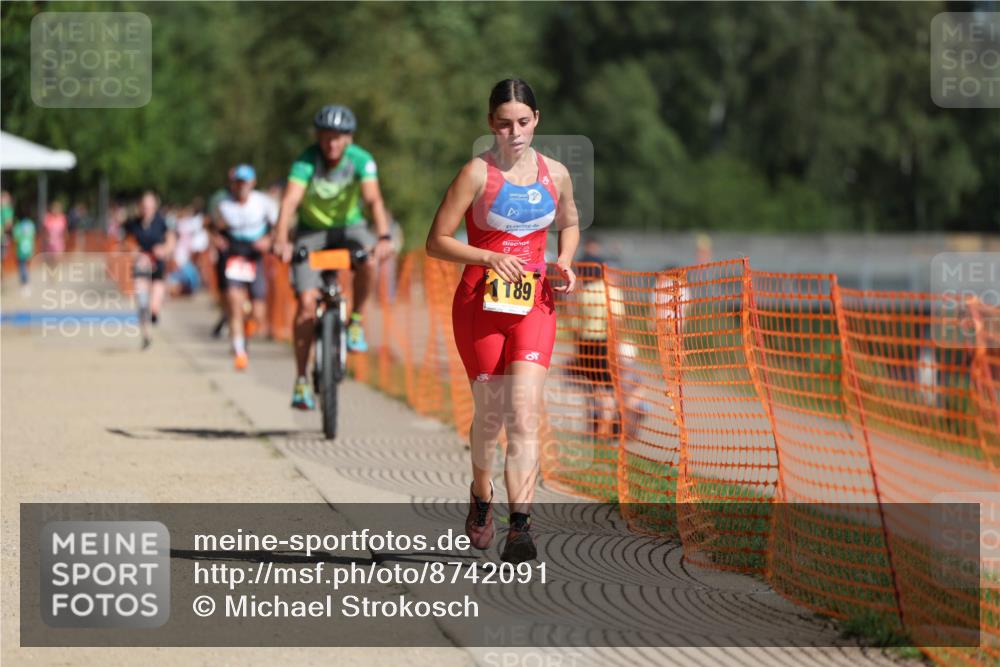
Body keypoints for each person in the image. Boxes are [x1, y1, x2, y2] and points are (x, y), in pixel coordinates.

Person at [425, 79, 580, 563]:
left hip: (534, 304)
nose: (514, 132)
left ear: (537, 119)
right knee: (489, 419)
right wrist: (489, 259)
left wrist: (566, 261)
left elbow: (570, 222)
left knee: (525, 414)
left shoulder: (556, 174)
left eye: (523, 122)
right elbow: (436, 241)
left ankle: (521, 527)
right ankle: (480, 492)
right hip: (480, 305)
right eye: (504, 123)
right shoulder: (476, 173)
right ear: (491, 123)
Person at [273, 104, 394, 410]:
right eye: (326, 137)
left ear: (349, 139)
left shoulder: (361, 160)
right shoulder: (306, 161)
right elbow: (290, 201)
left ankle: (355, 320)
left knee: (368, 259)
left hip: (349, 228)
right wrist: (280, 237)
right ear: (317, 137)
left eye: (338, 138)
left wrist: (383, 237)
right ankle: (301, 380)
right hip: (311, 232)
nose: (332, 144)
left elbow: (373, 200)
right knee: (305, 305)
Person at [213, 164, 277, 370]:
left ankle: (245, 332)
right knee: (234, 304)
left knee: (257, 312)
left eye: (245, 182)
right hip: (232, 257)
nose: (241, 186)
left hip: (254, 257)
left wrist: (268, 240)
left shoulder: (263, 203)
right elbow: (211, 227)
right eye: (238, 182)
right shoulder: (223, 205)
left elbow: (279, 228)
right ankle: (239, 352)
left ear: (253, 183)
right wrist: (216, 239)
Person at [124, 191, 175, 349]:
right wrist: (135, 252)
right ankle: (146, 335)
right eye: (143, 206)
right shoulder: (133, 223)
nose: (145, 209)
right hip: (141, 265)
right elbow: (127, 243)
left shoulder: (162, 222)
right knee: (142, 301)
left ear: (154, 206)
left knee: (154, 303)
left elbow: (171, 240)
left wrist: (164, 249)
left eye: (149, 206)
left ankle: (154, 313)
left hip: (157, 264)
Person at [11, 205, 36, 293]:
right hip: (29, 248)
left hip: (20, 249)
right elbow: (33, 236)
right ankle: (26, 283)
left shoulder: (18, 225)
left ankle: (24, 283)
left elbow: (16, 238)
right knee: (26, 266)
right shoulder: (31, 224)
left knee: (22, 266)